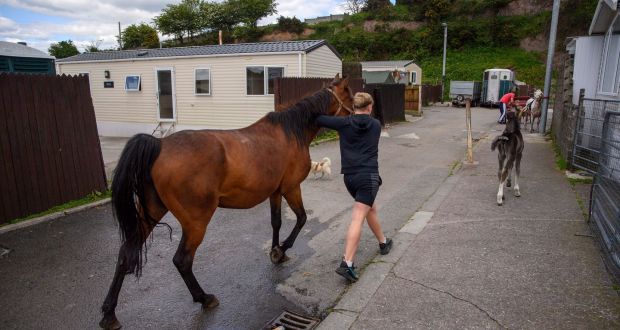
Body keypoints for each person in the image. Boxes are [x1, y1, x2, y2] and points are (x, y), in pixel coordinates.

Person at [316, 92, 393, 283]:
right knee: (359, 216)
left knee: (369, 208)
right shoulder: (375, 124)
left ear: (354, 106)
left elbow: (318, 118)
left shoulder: (343, 123)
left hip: (349, 178)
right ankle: (347, 264)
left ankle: (383, 242)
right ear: (369, 107)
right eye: (371, 106)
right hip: (368, 178)